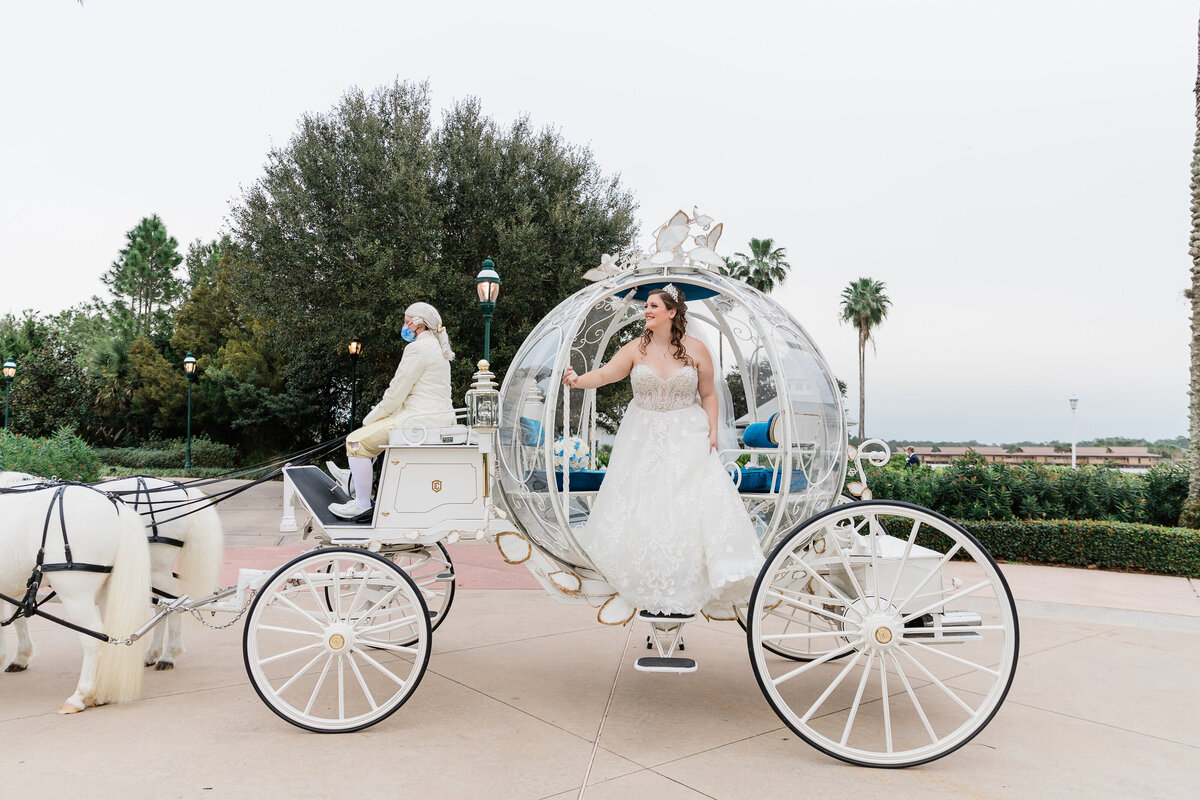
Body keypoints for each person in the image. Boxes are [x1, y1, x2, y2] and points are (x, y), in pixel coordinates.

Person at [562, 284, 764, 624]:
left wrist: (713, 430)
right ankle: (647, 586)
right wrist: (578, 380)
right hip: (642, 437)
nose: (647, 311)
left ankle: (684, 586)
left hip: (688, 434)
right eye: (647, 306)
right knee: (646, 506)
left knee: (685, 507)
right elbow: (606, 375)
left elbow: (709, 395)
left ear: (672, 312)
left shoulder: (697, 349)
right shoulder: (634, 349)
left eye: (654, 306)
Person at [328, 302, 456, 519]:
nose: (404, 327)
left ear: (419, 325)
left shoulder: (417, 349)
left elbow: (396, 394)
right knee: (370, 438)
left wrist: (370, 418)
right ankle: (352, 480)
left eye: (407, 322)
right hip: (435, 418)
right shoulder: (438, 350)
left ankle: (361, 503)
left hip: (418, 421)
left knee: (355, 442)